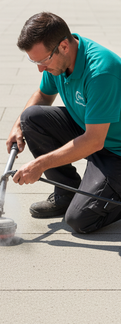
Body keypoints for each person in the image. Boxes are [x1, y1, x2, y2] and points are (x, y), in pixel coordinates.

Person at [6, 12, 121, 234]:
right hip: (92, 131)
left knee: (80, 220)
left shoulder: (101, 72)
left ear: (64, 46)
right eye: (34, 61)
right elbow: (43, 94)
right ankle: (66, 193)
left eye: (42, 61)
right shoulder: (58, 61)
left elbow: (94, 141)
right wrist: (17, 125)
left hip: (114, 150)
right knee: (30, 117)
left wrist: (40, 165)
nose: (40, 68)